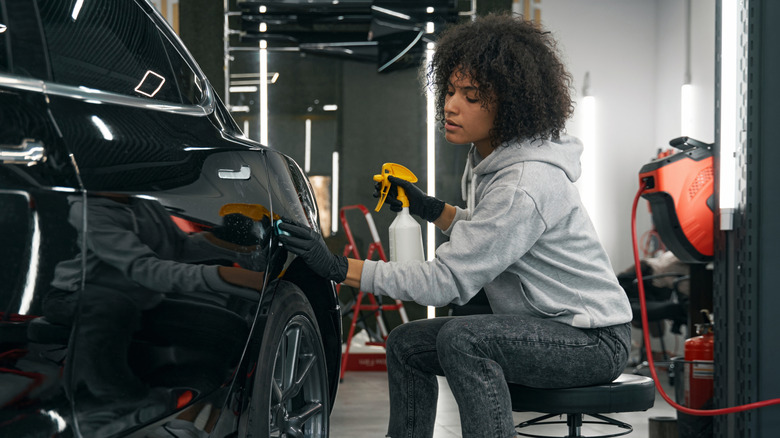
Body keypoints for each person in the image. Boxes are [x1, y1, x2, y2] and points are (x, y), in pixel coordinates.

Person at [278, 13, 633, 438]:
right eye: (450, 91)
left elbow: (447, 280)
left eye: (472, 96)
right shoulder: (496, 165)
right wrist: (429, 208)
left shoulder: (524, 182)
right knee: (407, 343)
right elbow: (492, 234)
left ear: (511, 103)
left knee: (464, 338)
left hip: (592, 341)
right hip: (552, 328)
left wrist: (340, 268)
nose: (450, 105)